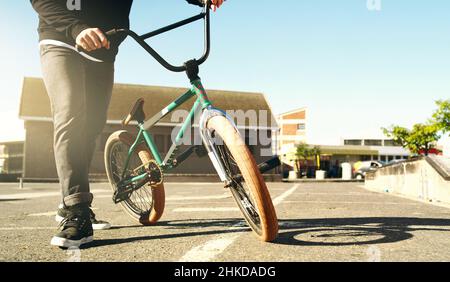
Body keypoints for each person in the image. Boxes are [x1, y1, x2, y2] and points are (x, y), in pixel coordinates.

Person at [31, 0, 225, 249]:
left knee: (92, 126)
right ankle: (76, 209)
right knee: (71, 114)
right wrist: (77, 28)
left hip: (103, 49)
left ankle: (68, 201)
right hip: (61, 39)